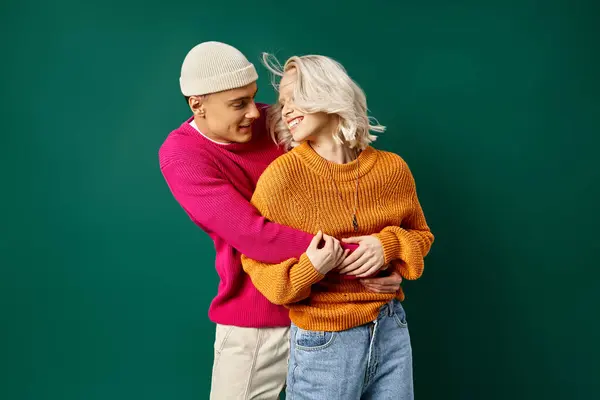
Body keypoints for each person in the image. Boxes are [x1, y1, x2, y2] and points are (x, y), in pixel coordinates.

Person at [158, 41, 405, 400]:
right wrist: (362, 258)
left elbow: (352, 189)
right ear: (198, 104)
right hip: (257, 321)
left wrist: (387, 252)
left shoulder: (281, 121)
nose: (255, 113)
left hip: (331, 310)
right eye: (237, 104)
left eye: (252, 97)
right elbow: (253, 235)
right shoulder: (182, 155)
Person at [240, 53, 434, 399]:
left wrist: (387, 245)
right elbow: (254, 259)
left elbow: (421, 236)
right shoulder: (283, 178)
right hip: (324, 342)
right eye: (282, 102)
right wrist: (310, 269)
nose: (285, 110)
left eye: (295, 97)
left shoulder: (392, 169)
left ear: (327, 93)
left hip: (390, 329)